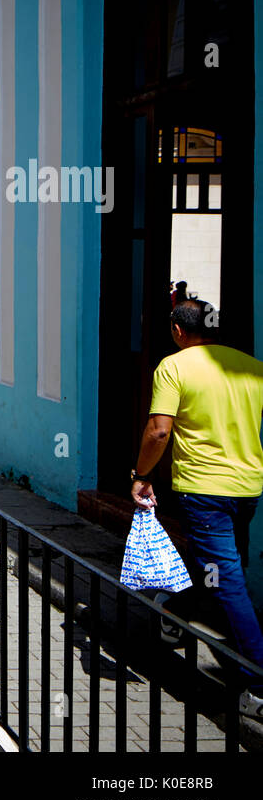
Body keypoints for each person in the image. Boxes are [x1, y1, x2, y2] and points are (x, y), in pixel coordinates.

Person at [131, 298, 263, 720]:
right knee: (216, 568)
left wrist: (140, 474)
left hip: (204, 490)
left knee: (229, 583)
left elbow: (159, 431)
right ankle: (174, 614)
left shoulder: (174, 366)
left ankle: (259, 688)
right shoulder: (250, 367)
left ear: (177, 330)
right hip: (247, 490)